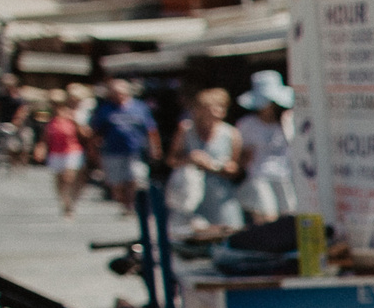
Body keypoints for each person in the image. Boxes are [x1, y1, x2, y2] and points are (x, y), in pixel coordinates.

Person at [165, 86, 244, 236]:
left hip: (220, 195)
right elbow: (171, 160)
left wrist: (214, 166)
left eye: (221, 107)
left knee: (228, 234)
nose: (217, 111)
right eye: (212, 108)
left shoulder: (231, 133)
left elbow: (235, 169)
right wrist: (190, 159)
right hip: (191, 194)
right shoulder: (186, 129)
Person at [88, 76, 159, 214]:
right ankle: (123, 202)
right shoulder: (105, 109)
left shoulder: (140, 107)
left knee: (135, 179)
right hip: (112, 152)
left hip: (135, 151)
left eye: (120, 92)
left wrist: (155, 148)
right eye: (115, 93)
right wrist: (93, 151)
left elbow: (151, 130)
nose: (118, 95)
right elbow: (96, 132)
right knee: (117, 183)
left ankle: (131, 205)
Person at [233, 71, 296, 221]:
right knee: (267, 218)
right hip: (259, 177)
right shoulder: (246, 125)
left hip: (286, 176)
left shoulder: (289, 120)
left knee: (289, 217)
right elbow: (241, 156)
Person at [42, 87, 85, 219]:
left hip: (72, 150)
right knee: (59, 180)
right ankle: (65, 201)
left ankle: (70, 204)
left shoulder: (70, 115)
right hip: (56, 151)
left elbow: (83, 133)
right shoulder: (50, 117)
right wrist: (41, 147)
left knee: (69, 177)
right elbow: (46, 135)